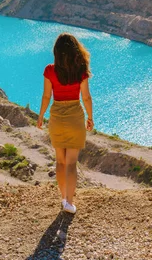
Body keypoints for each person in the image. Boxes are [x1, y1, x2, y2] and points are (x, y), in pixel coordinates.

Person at [37, 33, 94, 214]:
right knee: (71, 164)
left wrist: (40, 116)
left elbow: (46, 96)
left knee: (60, 162)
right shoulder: (81, 70)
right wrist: (90, 117)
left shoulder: (49, 70)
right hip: (75, 117)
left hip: (57, 117)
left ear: (56, 52)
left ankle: (63, 198)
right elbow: (86, 97)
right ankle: (70, 202)